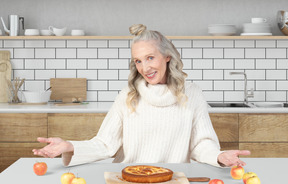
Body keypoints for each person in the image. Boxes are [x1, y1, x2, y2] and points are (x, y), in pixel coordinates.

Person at [33, 24, 250, 167]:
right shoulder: (128, 95)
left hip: (173, 182)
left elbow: (201, 144)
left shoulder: (191, 93)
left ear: (167, 56)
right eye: (138, 61)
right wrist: (69, 146)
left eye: (150, 58)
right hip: (129, 180)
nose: (145, 67)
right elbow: (105, 144)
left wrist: (219, 156)